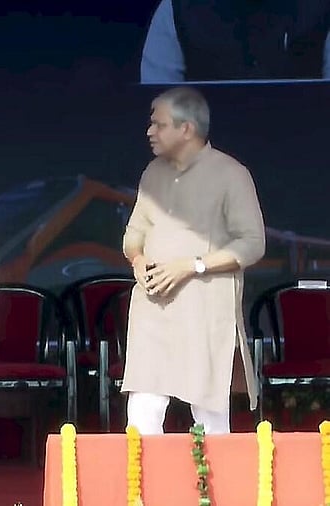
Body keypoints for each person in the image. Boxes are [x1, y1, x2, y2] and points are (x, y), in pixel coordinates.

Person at [121, 86, 265, 435]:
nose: (149, 131)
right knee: (143, 409)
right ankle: (139, 490)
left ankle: (218, 491)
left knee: (210, 414)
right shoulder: (152, 173)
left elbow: (253, 244)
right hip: (153, 308)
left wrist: (191, 265)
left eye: (159, 124)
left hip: (204, 309)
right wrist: (138, 261)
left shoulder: (231, 174)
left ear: (186, 129)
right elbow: (133, 235)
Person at [141, 0, 330, 83]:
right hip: (202, 158)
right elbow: (156, 105)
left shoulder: (320, 9)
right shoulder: (178, 8)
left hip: (304, 152)